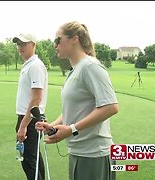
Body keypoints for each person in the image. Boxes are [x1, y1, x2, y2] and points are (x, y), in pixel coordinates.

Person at [36, 21, 119, 180]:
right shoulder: (75, 70)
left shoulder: (90, 66)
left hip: (94, 155)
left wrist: (71, 129)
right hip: (78, 152)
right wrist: (53, 125)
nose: (55, 45)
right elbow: (73, 108)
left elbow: (110, 106)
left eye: (58, 40)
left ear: (74, 39)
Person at [13, 34, 48, 180]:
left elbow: (36, 98)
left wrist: (23, 125)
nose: (20, 47)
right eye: (18, 44)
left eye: (23, 44)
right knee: (33, 158)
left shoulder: (35, 66)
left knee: (29, 161)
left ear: (33, 44)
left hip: (30, 119)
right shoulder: (29, 64)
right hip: (28, 118)